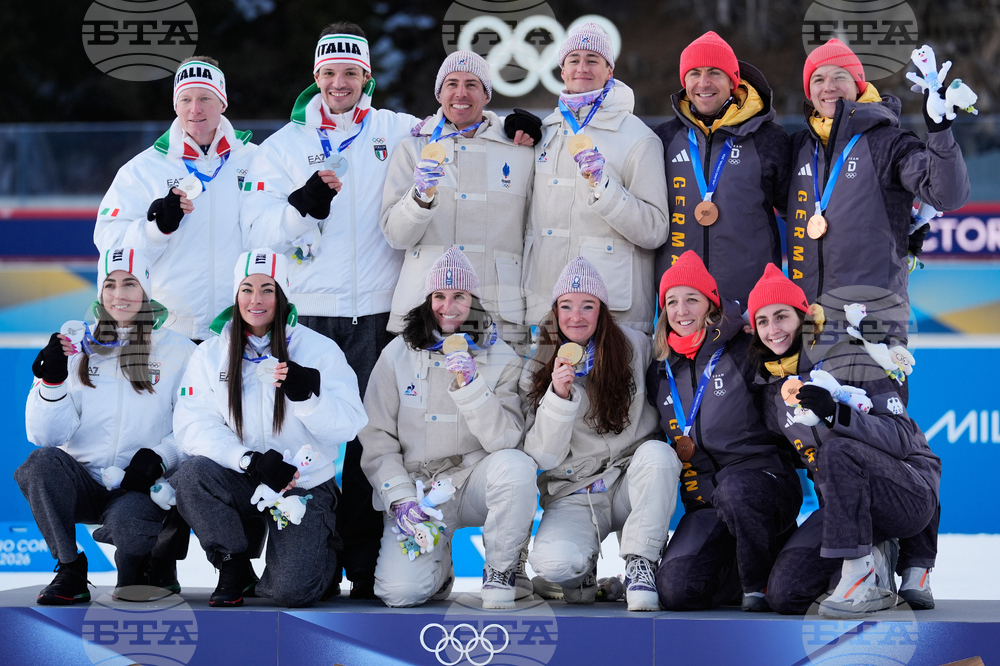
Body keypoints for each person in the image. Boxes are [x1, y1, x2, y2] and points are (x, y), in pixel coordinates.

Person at [241, 22, 419, 598]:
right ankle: (305, 557)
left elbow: (462, 133)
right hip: (310, 315)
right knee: (304, 438)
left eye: (351, 72)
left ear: (367, 76)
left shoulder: (398, 131)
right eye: (329, 72)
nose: (339, 82)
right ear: (315, 77)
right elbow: (255, 225)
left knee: (373, 443)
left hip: (377, 313)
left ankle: (366, 566)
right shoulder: (283, 146)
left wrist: (516, 129)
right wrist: (300, 207)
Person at [171, 249, 367, 607]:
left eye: (268, 289)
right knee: (191, 476)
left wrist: (308, 398)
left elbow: (351, 425)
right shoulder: (212, 353)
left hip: (300, 483)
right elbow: (192, 424)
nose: (256, 300)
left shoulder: (319, 350)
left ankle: (325, 552)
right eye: (247, 289)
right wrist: (247, 459)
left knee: (289, 592)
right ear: (235, 295)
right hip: (243, 475)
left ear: (283, 295)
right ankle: (233, 566)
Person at [746, 264, 940, 617]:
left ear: (803, 317)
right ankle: (874, 565)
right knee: (785, 595)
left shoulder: (850, 354)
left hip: (905, 497)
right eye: (762, 321)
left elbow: (901, 438)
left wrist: (838, 414)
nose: (773, 330)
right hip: (843, 510)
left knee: (837, 447)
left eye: (781, 316)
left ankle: (864, 573)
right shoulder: (771, 390)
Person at [360, 248, 536, 609]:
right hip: (420, 490)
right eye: (439, 296)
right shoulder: (397, 354)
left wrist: (472, 384)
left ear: (473, 301)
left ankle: (502, 569)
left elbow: (505, 440)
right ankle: (438, 570)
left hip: (472, 479)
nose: (448, 306)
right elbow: (377, 438)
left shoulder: (501, 357)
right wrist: (401, 499)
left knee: (517, 467)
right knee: (400, 593)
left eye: (459, 296)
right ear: (428, 301)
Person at [18, 247, 196, 604]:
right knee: (39, 464)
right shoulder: (75, 347)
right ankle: (70, 568)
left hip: (139, 486)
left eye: (129, 283)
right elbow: (45, 437)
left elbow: (195, 426)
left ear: (146, 290)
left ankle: (140, 560)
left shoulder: (180, 350)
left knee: (132, 584)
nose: (119, 294)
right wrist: (52, 382)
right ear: (100, 292)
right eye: (110, 285)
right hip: (85, 481)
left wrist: (160, 458)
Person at [520, 257, 680, 611]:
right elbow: (542, 456)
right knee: (554, 564)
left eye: (587, 306)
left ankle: (641, 563)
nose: (576, 316)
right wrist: (559, 398)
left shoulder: (636, 346)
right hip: (575, 490)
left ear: (602, 310)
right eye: (567, 306)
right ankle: (584, 573)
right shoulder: (538, 362)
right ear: (555, 311)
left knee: (659, 457)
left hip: (629, 481)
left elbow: (683, 353)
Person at [786, 38, 969, 339]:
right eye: (818, 79)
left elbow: (947, 194)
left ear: (859, 84)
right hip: (809, 324)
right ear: (809, 91)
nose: (828, 86)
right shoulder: (798, 149)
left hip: (873, 327)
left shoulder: (889, 143)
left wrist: (939, 131)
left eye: (839, 76)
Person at [649, 251, 801, 612]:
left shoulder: (743, 349)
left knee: (737, 491)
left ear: (711, 304)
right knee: (675, 591)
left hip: (763, 482)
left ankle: (758, 584)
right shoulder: (659, 368)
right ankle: (751, 561)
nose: (681, 310)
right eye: (672, 301)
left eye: (692, 299)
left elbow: (786, 400)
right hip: (705, 503)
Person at [381, 50, 538, 350]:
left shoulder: (519, 149)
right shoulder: (413, 148)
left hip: (497, 306)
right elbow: (396, 236)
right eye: (451, 83)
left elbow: (534, 230)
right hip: (425, 309)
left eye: (472, 84)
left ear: (487, 94)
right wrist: (420, 198)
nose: (460, 93)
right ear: (439, 93)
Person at [94, 57, 256, 342]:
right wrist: (156, 229)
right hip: (169, 333)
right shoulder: (141, 170)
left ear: (223, 102)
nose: (195, 109)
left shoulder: (257, 160)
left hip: (241, 329)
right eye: (186, 99)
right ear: (175, 105)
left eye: (205, 98)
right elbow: (111, 248)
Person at [522, 23, 670, 334]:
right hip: (545, 311)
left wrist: (604, 189)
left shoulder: (639, 138)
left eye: (593, 59)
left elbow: (655, 230)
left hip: (614, 315)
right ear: (562, 71)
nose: (582, 67)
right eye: (573, 59)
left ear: (609, 70)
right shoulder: (544, 133)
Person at [653, 31, 789, 309]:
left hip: (750, 302)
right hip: (680, 305)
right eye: (694, 73)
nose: (703, 83)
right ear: (684, 82)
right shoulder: (662, 139)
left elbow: (802, 211)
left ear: (732, 80)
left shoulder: (768, 138)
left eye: (714, 72)